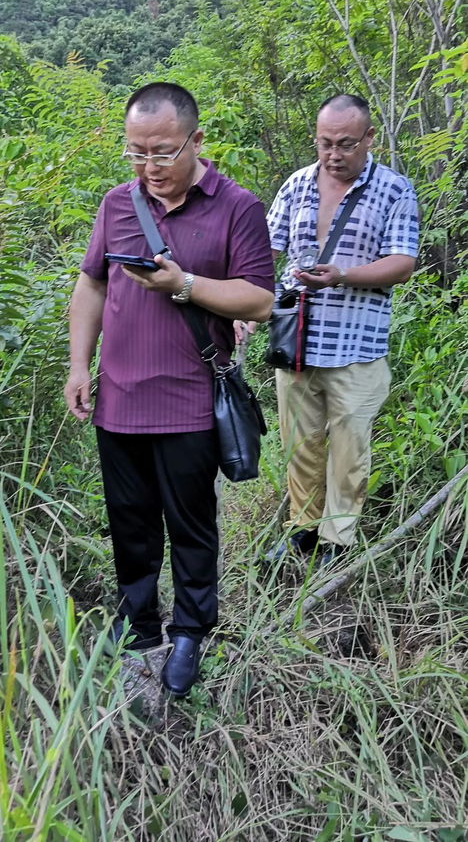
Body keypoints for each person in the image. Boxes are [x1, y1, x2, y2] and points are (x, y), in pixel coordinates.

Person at [64, 82, 274, 697]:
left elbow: (259, 299)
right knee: (129, 522)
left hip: (188, 401)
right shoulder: (117, 204)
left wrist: (185, 285)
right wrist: (80, 365)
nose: (149, 167)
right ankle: (140, 628)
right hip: (119, 399)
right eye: (136, 153)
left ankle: (190, 632)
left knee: (191, 523)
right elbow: (92, 287)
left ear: (196, 141)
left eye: (162, 152)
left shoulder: (237, 206)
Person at [265, 94, 419, 565]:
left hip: (357, 347)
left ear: (369, 138)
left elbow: (403, 262)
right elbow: (263, 251)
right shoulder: (296, 185)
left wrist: (343, 275)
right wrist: (246, 310)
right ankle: (302, 530)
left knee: (349, 451)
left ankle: (338, 540)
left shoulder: (394, 190)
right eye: (325, 143)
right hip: (296, 342)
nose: (333, 154)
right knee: (300, 447)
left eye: (346, 144)